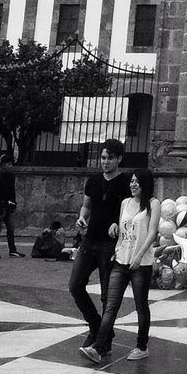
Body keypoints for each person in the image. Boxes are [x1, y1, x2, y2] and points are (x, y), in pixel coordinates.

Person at [81, 168, 161, 364]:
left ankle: (142, 346)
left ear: (145, 184)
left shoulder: (153, 204)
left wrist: (139, 256)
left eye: (137, 182)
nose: (133, 184)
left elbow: (152, 233)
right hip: (121, 259)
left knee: (141, 306)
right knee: (111, 306)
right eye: (131, 181)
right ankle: (99, 348)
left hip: (141, 263)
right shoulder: (125, 202)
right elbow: (122, 225)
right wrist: (114, 227)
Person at [68, 138, 132, 351]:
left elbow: (131, 212)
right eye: (103, 158)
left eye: (110, 158)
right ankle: (95, 325)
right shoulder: (93, 181)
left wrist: (119, 224)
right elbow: (86, 207)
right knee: (75, 285)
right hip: (90, 240)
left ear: (119, 159)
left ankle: (104, 341)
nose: (105, 162)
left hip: (110, 244)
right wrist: (81, 219)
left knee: (107, 295)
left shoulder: (126, 183)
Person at [0, 152, 24, 259]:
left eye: (11, 164)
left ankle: (12, 250)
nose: (11, 166)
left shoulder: (11, 177)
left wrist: (13, 203)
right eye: (8, 164)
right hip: (1, 206)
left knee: (11, 228)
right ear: (3, 166)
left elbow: (12, 192)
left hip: (8, 206)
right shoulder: (0, 179)